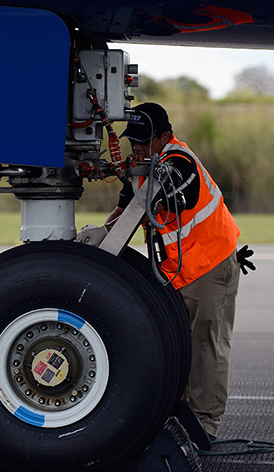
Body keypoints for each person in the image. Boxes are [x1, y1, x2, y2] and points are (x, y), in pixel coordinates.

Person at [104, 102, 254, 440]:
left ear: (165, 137)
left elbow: (171, 193)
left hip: (210, 267)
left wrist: (142, 180)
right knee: (181, 347)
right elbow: (124, 207)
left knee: (206, 347)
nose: (137, 148)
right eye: (133, 141)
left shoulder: (179, 163)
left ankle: (205, 426)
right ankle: (183, 421)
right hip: (182, 271)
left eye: (144, 141)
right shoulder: (146, 166)